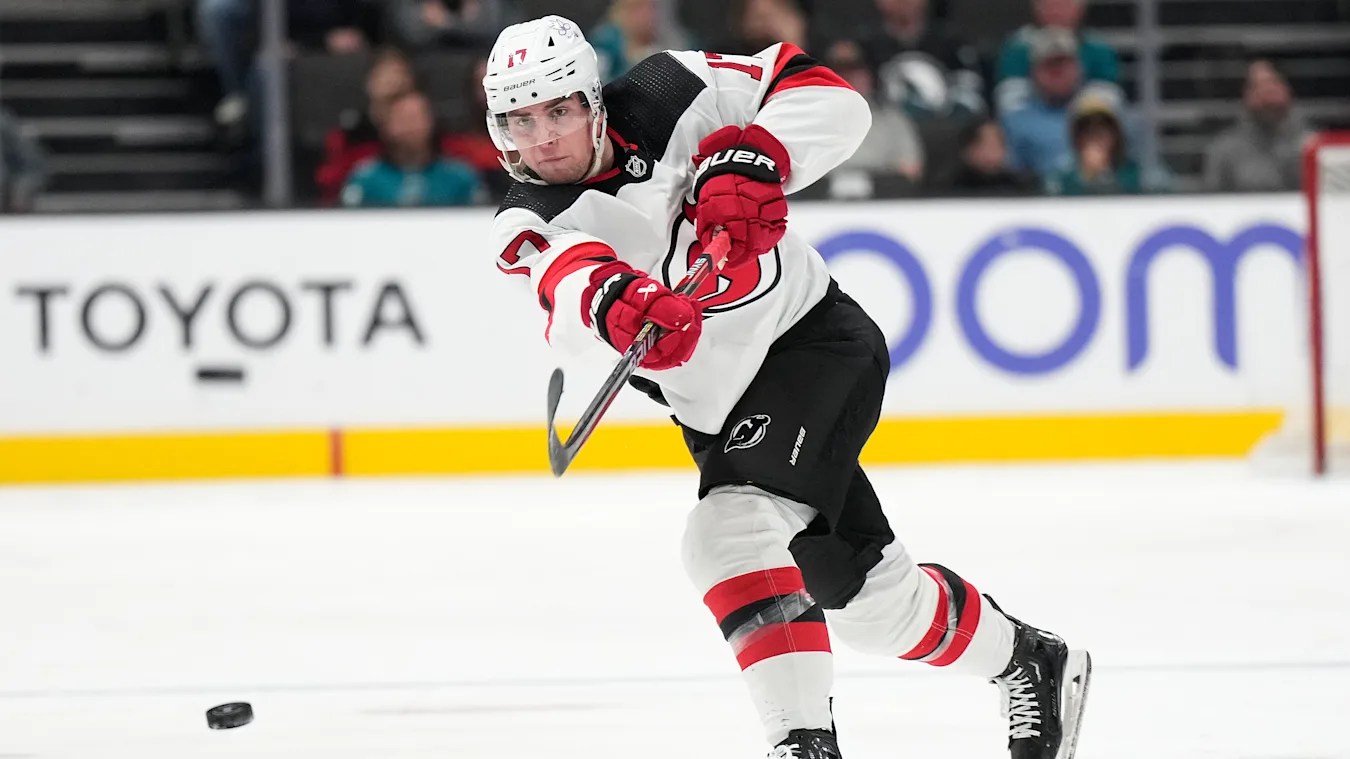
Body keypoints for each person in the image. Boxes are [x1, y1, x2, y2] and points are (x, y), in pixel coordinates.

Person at [484, 15, 1091, 759]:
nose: (542, 138)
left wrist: (758, 155)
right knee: (870, 603)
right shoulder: (525, 220)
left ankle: (802, 744)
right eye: (520, 120)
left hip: (815, 344)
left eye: (558, 110)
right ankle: (1030, 660)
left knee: (728, 532)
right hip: (722, 415)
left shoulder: (671, 87)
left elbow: (831, 97)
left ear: (593, 100)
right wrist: (618, 303)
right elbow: (567, 282)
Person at [341, 91, 483, 206]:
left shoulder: (460, 177)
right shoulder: (365, 178)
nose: (410, 127)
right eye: (402, 119)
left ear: (431, 122)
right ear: (386, 127)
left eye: (416, 118)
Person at [994, 0, 1120, 113]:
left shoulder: (1098, 48)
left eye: (1063, 5)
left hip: (1085, 120)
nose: (1056, 11)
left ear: (1080, 9)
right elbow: (1010, 103)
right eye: (1050, 5)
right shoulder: (1018, 48)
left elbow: (1110, 100)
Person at [1203, 60, 1310, 193]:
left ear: (1287, 89)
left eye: (1273, 83)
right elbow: (1212, 199)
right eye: (1257, 87)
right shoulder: (1224, 150)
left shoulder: (1313, 145)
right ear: (1245, 95)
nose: (1267, 94)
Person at [945, 118, 1039, 195]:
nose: (992, 152)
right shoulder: (950, 188)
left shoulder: (1021, 185)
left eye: (997, 144)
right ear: (968, 149)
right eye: (985, 145)